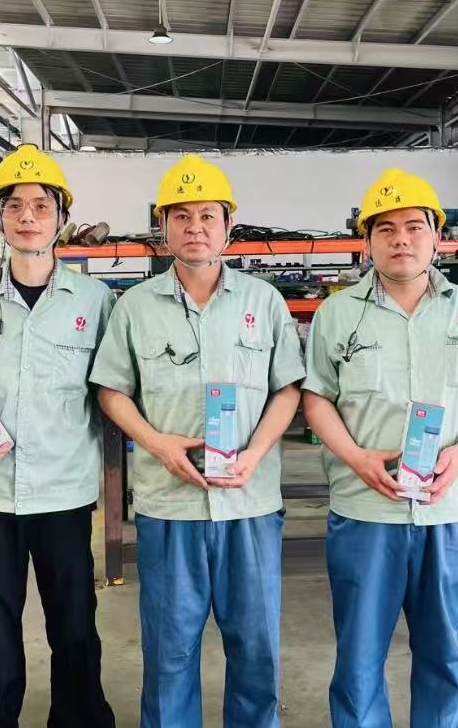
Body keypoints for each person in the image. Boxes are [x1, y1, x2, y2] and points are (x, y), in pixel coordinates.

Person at [301, 169, 458, 728]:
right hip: (365, 511)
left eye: (413, 226)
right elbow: (316, 399)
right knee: (358, 656)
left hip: (445, 511)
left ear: (437, 236)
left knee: (440, 651)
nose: (401, 239)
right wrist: (356, 458)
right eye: (385, 229)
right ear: (367, 241)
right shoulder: (338, 314)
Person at [89, 154, 305, 728]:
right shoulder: (135, 307)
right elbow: (111, 391)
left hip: (250, 504)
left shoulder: (264, 302)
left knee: (256, 649)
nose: (195, 227)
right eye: (180, 216)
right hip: (170, 507)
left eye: (207, 215)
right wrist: (156, 443)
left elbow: (288, 390)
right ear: (163, 228)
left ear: (228, 225)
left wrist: (255, 454)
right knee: (169, 650)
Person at [0, 143, 117, 728]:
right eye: (14, 205)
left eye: (41, 205)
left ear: (62, 216)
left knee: (74, 624)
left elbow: (114, 390)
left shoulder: (95, 301)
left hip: (64, 493)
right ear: (0, 217)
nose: (28, 216)